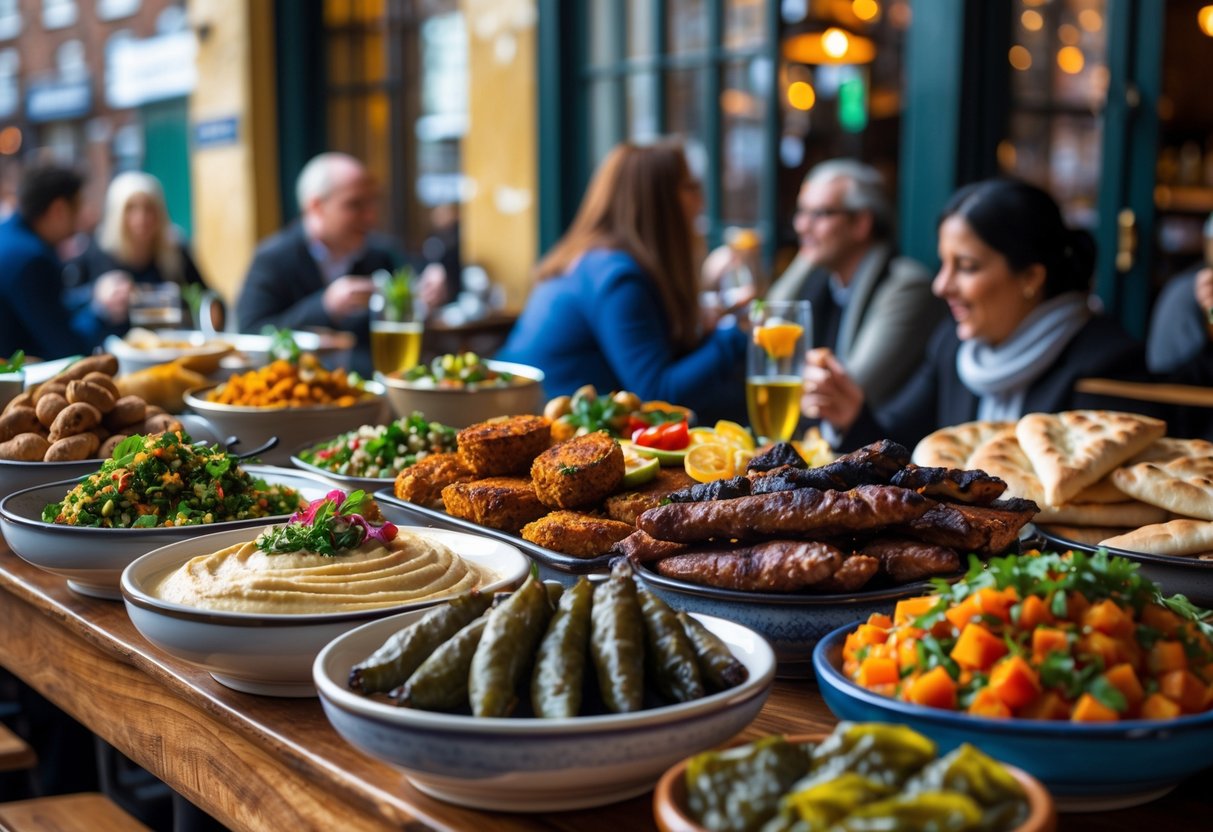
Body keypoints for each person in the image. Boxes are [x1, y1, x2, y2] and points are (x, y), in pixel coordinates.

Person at [802, 177, 1154, 451]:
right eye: (944, 264)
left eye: (966, 267)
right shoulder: (951, 346)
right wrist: (849, 414)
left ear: (1031, 277)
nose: (941, 286)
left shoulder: (1106, 362)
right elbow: (895, 443)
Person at [495, 141, 749, 423]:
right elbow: (657, 393)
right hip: (539, 432)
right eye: (690, 187)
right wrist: (735, 334)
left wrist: (709, 332)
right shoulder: (618, 277)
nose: (701, 201)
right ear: (660, 202)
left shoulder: (596, 258)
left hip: (535, 418)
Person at [763, 159, 945, 408]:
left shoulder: (906, 286)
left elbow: (845, 392)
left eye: (819, 214)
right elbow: (771, 322)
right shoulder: (826, 279)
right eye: (801, 212)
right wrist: (809, 250)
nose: (801, 225)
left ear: (861, 224)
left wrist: (811, 247)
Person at [237, 152, 427, 375]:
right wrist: (325, 306)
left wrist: (425, 294)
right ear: (317, 207)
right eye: (355, 205)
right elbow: (250, 335)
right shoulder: (273, 258)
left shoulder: (378, 254)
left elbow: (411, 299)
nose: (371, 216)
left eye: (372, 202)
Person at [63, 171, 206, 333]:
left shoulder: (174, 251)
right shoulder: (98, 251)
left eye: (149, 208)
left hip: (171, 347)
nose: (141, 218)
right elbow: (67, 302)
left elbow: (206, 298)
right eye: (131, 208)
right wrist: (97, 296)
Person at [0, 164, 107, 359]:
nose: (81, 218)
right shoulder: (31, 260)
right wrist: (101, 310)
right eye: (77, 208)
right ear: (59, 209)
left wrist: (91, 297)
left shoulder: (7, 233)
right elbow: (68, 349)